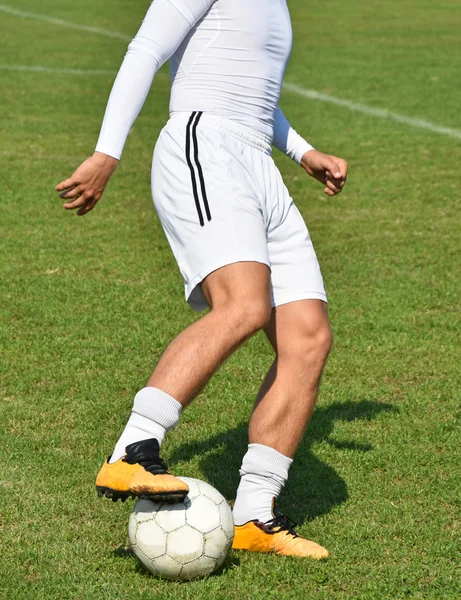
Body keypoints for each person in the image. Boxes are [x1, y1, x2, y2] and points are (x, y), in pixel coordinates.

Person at [56, 0, 348, 559]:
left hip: (257, 159)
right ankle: (131, 451)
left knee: (307, 337)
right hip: (204, 147)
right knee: (243, 306)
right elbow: (146, 49)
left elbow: (251, 88)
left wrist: (303, 151)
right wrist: (106, 154)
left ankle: (255, 516)